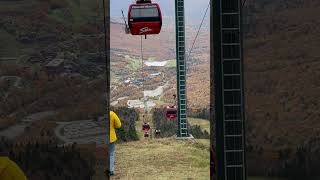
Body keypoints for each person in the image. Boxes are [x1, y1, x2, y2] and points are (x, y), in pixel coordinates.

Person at [109, 111, 121, 176]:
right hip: (110, 138)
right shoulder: (112, 114)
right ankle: (111, 170)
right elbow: (118, 125)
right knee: (111, 154)